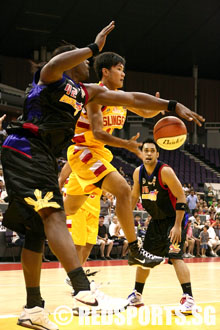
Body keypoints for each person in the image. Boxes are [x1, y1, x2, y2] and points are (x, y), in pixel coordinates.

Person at [1, 22, 137, 330]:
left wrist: (167, 106)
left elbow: (130, 100)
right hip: (25, 149)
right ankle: (82, 286)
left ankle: (33, 309)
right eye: (85, 61)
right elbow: (54, 63)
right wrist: (93, 47)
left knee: (37, 230)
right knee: (53, 214)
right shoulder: (51, 78)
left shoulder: (83, 93)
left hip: (41, 156)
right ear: (73, 62)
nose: (88, 64)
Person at [62, 49, 204, 272]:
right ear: (105, 72)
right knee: (122, 189)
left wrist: (157, 108)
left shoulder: (118, 98)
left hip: (97, 154)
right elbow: (98, 133)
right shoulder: (96, 94)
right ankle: (135, 249)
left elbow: (142, 108)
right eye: (119, 69)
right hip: (84, 150)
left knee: (66, 209)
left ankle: (33, 221)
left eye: (123, 70)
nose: (123, 74)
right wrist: (126, 144)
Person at [127, 138, 197, 315]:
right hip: (157, 221)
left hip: (175, 219)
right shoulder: (138, 173)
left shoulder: (165, 171)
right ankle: (137, 295)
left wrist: (177, 226)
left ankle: (189, 299)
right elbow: (134, 196)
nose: (149, 153)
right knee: (145, 258)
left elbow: (181, 197)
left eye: (152, 150)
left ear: (157, 154)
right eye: (146, 150)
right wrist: (125, 219)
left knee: (175, 256)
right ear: (141, 153)